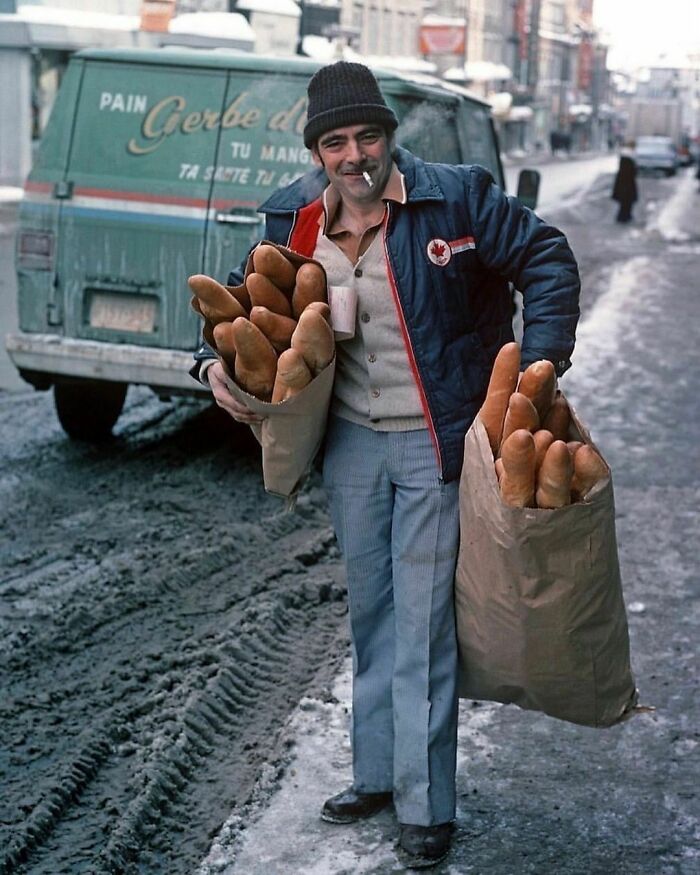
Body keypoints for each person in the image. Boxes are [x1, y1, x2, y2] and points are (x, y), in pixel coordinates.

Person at [192, 61, 580, 869]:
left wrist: (537, 373)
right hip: (351, 444)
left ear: (389, 137)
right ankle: (376, 773)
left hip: (436, 439)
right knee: (371, 612)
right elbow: (239, 307)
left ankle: (425, 801)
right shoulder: (294, 220)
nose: (354, 155)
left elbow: (546, 258)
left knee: (423, 624)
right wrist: (210, 371)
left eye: (368, 135)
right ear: (318, 150)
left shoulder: (457, 197)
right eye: (335, 142)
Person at [611, 144, 638, 222]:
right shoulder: (629, 161)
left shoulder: (623, 160)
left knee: (625, 202)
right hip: (628, 185)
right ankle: (624, 216)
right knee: (627, 202)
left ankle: (624, 216)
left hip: (623, 184)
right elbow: (633, 172)